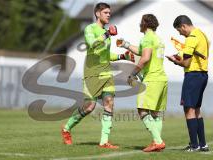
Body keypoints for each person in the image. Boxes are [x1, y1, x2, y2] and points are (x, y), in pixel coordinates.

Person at [61, 2, 134, 149]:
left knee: (109, 104)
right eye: (106, 12)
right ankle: (66, 128)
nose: (109, 15)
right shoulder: (90, 29)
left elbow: (106, 55)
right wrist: (106, 34)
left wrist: (122, 56)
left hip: (106, 73)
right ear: (97, 14)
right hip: (92, 74)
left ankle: (104, 141)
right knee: (89, 107)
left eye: (109, 12)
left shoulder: (108, 34)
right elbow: (92, 44)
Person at [118, 14, 167, 152]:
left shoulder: (147, 38)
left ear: (145, 24)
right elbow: (141, 51)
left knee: (142, 110)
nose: (139, 24)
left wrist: (132, 74)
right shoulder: (158, 39)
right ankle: (157, 142)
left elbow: (145, 58)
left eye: (141, 22)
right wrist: (125, 45)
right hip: (162, 78)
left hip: (152, 79)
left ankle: (158, 141)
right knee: (156, 113)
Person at [166, 15, 209, 152]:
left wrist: (174, 60)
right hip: (203, 75)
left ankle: (194, 145)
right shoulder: (202, 34)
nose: (179, 33)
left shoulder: (191, 38)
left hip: (193, 75)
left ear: (184, 26)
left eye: (179, 30)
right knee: (196, 110)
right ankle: (203, 144)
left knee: (188, 109)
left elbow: (186, 63)